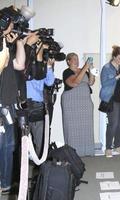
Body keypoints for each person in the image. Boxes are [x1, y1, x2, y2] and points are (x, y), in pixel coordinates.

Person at [0, 22, 27, 194]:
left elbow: (21, 64)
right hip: (1, 105)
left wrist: (18, 41)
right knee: (2, 145)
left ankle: (6, 182)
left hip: (9, 105)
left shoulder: (6, 52)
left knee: (9, 146)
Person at [100, 45, 120, 158]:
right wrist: (118, 76)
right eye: (119, 58)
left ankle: (118, 146)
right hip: (111, 99)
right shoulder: (106, 68)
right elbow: (104, 84)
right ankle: (108, 148)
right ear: (113, 57)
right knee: (113, 124)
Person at [61, 53, 95, 157]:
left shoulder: (83, 70)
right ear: (68, 61)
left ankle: (87, 151)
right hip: (71, 103)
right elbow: (74, 83)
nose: (76, 61)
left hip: (85, 102)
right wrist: (85, 68)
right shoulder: (67, 72)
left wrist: (91, 69)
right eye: (74, 59)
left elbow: (91, 82)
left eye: (77, 59)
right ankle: (73, 153)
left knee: (86, 127)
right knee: (71, 128)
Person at [26, 39, 55, 157]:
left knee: (40, 142)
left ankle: (40, 169)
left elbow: (49, 83)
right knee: (23, 143)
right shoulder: (27, 65)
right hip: (24, 106)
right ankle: (22, 172)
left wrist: (48, 66)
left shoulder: (43, 68)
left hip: (38, 107)